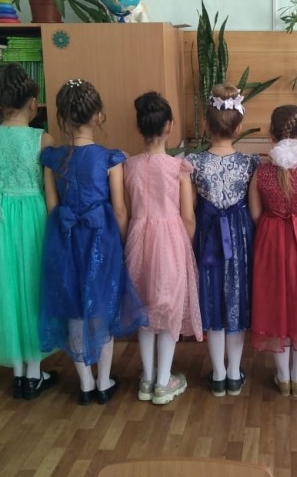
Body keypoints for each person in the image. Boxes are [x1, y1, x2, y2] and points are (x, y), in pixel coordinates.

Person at [40, 79, 147, 406]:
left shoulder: (52, 158)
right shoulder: (110, 159)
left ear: (62, 116)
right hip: (102, 240)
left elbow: (52, 208)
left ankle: (85, 384)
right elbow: (120, 210)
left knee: (74, 307)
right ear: (98, 116)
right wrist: (124, 240)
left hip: (66, 239)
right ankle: (103, 381)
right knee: (101, 306)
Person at [0, 63, 57, 400]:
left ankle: (19, 374)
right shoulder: (42, 138)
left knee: (7, 287)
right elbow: (50, 194)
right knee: (33, 287)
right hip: (32, 217)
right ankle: (34, 372)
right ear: (33, 102)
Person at [125, 91, 203, 405]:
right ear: (169, 126)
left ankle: (147, 378)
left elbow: (128, 208)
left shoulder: (128, 165)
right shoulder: (177, 167)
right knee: (168, 309)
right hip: (170, 241)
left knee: (144, 308)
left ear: (138, 127)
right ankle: (162, 381)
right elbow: (188, 216)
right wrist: (186, 245)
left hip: (137, 238)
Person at [249, 104, 297, 398]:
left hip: (272, 241)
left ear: (271, 135)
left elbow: (255, 214)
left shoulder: (260, 173)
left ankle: (282, 377)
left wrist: (275, 223)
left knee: (276, 304)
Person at [186, 85, 259, 397]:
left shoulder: (192, 162)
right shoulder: (250, 163)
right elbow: (255, 210)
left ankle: (218, 374)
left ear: (206, 124)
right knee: (236, 298)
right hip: (239, 236)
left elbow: (189, 208)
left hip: (207, 235)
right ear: (239, 127)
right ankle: (233, 373)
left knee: (212, 297)